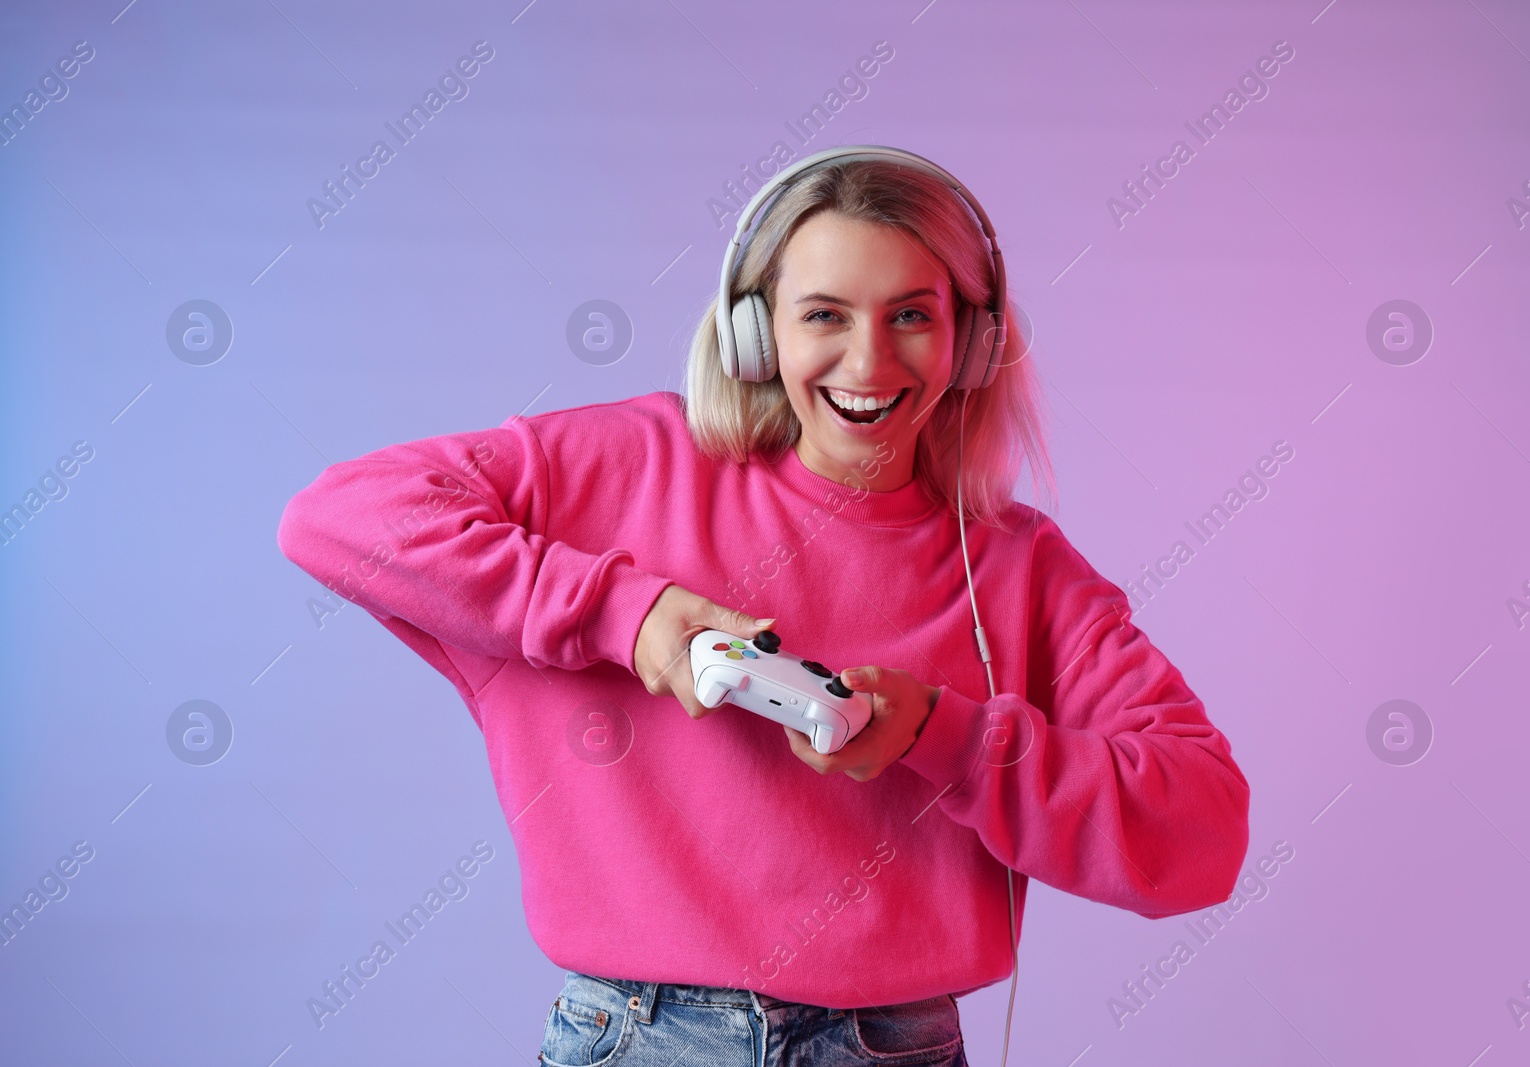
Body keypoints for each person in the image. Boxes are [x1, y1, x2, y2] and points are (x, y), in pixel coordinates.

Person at [276, 147, 1250, 1067]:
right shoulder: (624, 468)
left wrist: (944, 736)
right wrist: (628, 613)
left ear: (972, 338)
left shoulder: (1016, 562)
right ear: (754, 330)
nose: (868, 361)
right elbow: (337, 515)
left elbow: (1199, 831)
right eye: (823, 314)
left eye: (911, 314)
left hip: (898, 1043)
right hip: (644, 1034)